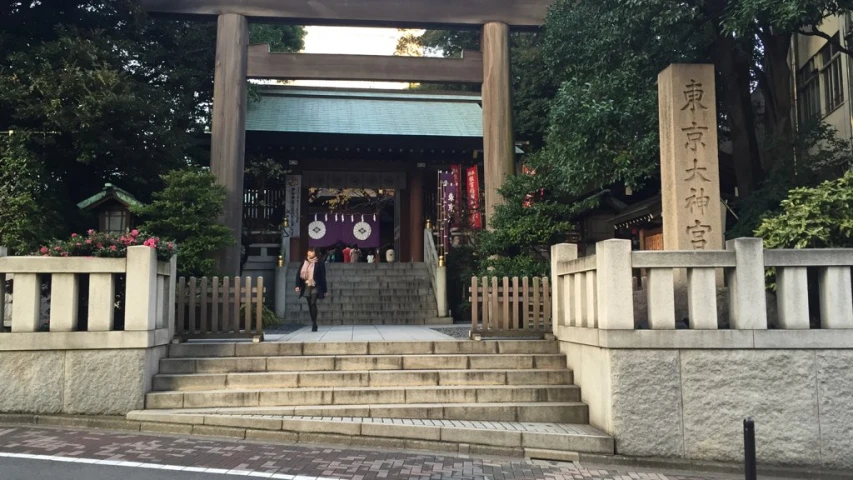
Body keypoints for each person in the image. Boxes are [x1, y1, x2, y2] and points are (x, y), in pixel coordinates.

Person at [295, 247, 327, 332]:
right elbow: (298, 274)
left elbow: (323, 277)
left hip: (316, 285)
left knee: (313, 303)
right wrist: (297, 285)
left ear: (315, 253)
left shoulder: (319, 263)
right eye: (308, 252)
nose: (309, 253)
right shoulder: (304, 262)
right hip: (306, 285)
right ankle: (313, 321)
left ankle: (314, 324)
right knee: (310, 304)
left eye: (311, 252)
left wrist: (325, 290)